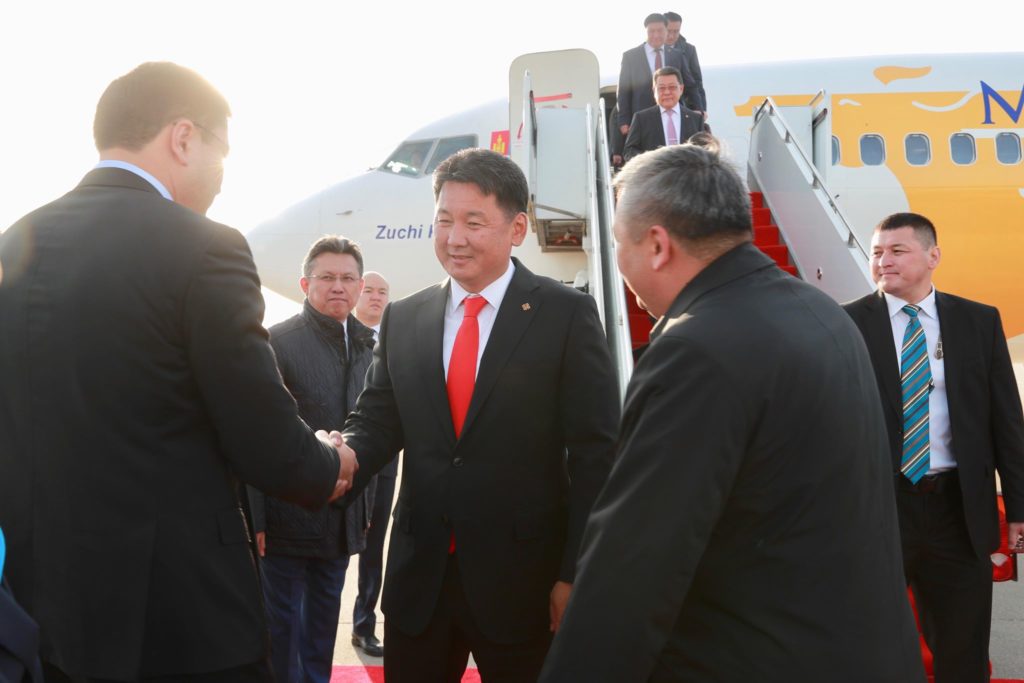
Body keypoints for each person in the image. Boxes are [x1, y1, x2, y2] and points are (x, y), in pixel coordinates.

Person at [0, 62, 353, 682]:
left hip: (46, 613)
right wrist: (329, 463)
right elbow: (264, 437)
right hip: (180, 619)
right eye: (222, 153)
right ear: (183, 137)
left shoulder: (16, 241)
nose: (222, 175)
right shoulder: (204, 247)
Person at [538, 142, 926, 682]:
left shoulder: (695, 349)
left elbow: (633, 565)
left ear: (657, 246)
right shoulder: (821, 312)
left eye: (619, 244)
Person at [338, 148, 620, 683]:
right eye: (444, 220)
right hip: (420, 581)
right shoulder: (405, 317)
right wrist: (342, 455)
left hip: (524, 586)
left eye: (473, 222)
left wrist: (575, 572)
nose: (454, 238)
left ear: (517, 228)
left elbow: (596, 455)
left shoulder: (565, 315)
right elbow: (377, 420)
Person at [844, 212, 1024, 683]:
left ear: (933, 256)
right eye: (877, 252)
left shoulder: (978, 321)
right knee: (866, 645)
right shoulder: (845, 323)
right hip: (879, 508)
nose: (883, 261)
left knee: (962, 648)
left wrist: (1019, 509)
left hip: (957, 509)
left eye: (897, 251)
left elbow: (1007, 422)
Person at [248, 237, 377, 683]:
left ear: (360, 286)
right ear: (305, 284)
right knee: (282, 633)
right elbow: (257, 433)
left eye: (347, 278)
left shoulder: (370, 346)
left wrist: (363, 509)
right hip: (285, 519)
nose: (338, 286)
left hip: (343, 519)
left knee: (322, 630)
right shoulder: (276, 342)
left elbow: (373, 432)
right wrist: (257, 517)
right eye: (327, 277)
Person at [351, 270, 393, 658]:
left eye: (383, 291)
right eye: (369, 290)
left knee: (373, 545)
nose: (376, 297)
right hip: (342, 453)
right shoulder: (343, 337)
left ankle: (364, 624)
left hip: (384, 462)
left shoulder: (394, 342)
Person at [617, 13, 701, 140]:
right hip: (642, 119)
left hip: (672, 118)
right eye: (651, 31)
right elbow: (623, 91)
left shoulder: (677, 55)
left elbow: (690, 85)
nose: (656, 35)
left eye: (660, 30)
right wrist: (624, 120)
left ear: (666, 31)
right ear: (646, 32)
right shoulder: (630, 57)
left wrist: (699, 109)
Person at [623, 67, 703, 161]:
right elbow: (629, 151)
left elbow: (703, 152)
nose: (667, 92)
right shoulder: (641, 119)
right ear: (654, 91)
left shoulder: (696, 119)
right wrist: (651, 160)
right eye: (661, 88)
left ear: (681, 89)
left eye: (672, 87)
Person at [664, 11, 707, 112]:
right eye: (668, 31)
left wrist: (702, 110)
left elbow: (697, 82)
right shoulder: (650, 50)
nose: (671, 36)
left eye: (676, 31)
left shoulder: (689, 50)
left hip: (684, 107)